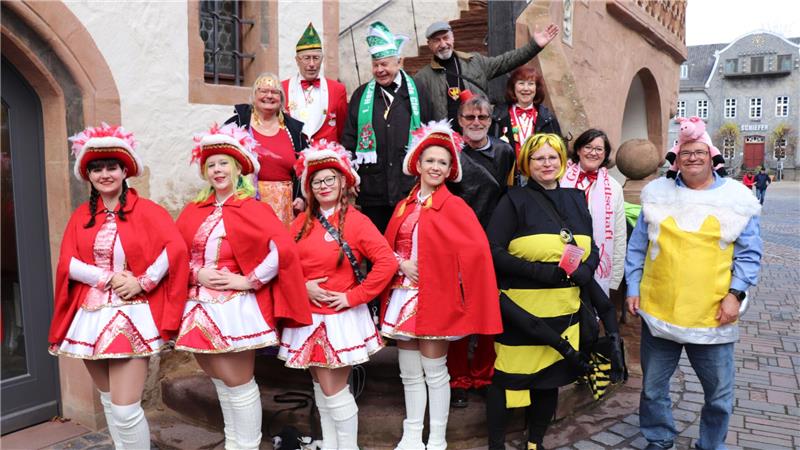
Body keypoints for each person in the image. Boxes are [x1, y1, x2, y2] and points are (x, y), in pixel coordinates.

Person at [49, 124, 189, 449]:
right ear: (89, 176)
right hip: (91, 316)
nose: (104, 174)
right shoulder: (81, 215)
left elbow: (175, 250)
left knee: (126, 411)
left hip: (131, 316)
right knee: (111, 403)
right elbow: (67, 263)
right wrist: (108, 278)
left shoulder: (148, 211)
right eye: (96, 169)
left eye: (111, 167)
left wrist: (143, 281)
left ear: (125, 169)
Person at [174, 123, 312, 450]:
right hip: (198, 304)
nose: (218, 169)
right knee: (221, 382)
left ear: (238, 168)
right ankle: (234, 444)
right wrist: (196, 275)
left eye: (224, 163)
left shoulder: (254, 209)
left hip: (236, 306)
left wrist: (249, 280)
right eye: (212, 164)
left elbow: (282, 250)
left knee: (239, 383)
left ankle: (246, 446)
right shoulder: (193, 211)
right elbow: (177, 254)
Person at [625, 125, 762, 450]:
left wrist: (735, 294)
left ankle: (712, 444)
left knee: (718, 395)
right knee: (654, 389)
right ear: (677, 159)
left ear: (712, 157)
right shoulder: (657, 194)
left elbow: (750, 254)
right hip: (659, 311)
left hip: (712, 313)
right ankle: (659, 439)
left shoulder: (736, 200)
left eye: (699, 152)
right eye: (686, 152)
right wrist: (633, 285)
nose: (693, 157)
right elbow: (637, 246)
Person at [486, 133, 622, 450]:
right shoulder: (513, 200)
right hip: (522, 313)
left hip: (565, 312)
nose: (547, 163)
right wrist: (539, 271)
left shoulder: (575, 199)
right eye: (539, 158)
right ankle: (496, 445)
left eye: (553, 157)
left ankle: (535, 442)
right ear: (527, 164)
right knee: (508, 381)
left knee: (548, 382)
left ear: (562, 162)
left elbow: (588, 245)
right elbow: (493, 251)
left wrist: (587, 268)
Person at [381, 120, 502, 450]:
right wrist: (399, 263)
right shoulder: (403, 206)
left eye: (443, 163)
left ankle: (436, 438)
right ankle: (410, 434)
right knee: (409, 372)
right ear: (418, 164)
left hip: (436, 299)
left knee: (435, 371)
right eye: (430, 161)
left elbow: (475, 254)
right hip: (403, 296)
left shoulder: (455, 206)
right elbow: (386, 249)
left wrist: (443, 273)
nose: (435, 167)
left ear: (450, 170)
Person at [279, 140, 397, 450]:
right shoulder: (300, 224)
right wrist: (302, 287)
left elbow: (387, 262)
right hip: (308, 318)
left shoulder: (358, 222)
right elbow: (282, 265)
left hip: (340, 319)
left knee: (333, 389)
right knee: (320, 384)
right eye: (317, 181)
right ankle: (329, 444)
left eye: (330, 178)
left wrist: (353, 296)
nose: (323, 186)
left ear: (343, 181)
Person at [446, 94, 515, 408]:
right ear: (460, 120)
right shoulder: (449, 150)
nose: (476, 123)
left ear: (491, 120)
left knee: (489, 311)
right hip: (456, 240)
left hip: (491, 239)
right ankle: (458, 378)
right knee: (458, 312)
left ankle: (484, 374)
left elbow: (509, 195)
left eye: (482, 118)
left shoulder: (505, 153)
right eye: (470, 118)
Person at [340, 21, 433, 232]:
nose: (380, 70)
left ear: (398, 62)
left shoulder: (417, 91)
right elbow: (349, 139)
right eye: (376, 65)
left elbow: (429, 134)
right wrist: (350, 175)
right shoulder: (361, 95)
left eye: (385, 64)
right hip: (373, 192)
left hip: (409, 189)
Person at [414, 21, 559, 131]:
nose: (443, 44)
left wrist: (534, 45)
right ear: (429, 45)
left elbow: (506, 61)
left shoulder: (475, 61)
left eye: (446, 38)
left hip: (480, 134)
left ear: (453, 38)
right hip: (449, 142)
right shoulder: (422, 78)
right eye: (436, 40)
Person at [225, 72, 308, 227]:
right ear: (254, 96)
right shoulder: (238, 124)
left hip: (286, 208)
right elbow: (222, 160)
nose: (269, 96)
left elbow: (305, 169)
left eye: (275, 92)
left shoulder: (294, 130)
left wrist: (302, 197)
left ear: (281, 98)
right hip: (247, 203)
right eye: (263, 91)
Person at [560, 129, 626, 297]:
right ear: (578, 150)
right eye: (588, 147)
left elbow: (619, 232)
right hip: (563, 252)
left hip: (598, 260)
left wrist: (615, 276)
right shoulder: (560, 178)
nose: (593, 153)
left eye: (599, 149)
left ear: (605, 154)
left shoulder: (614, 187)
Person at [492, 66, 562, 185]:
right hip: (506, 179)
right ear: (513, 87)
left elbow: (559, 152)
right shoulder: (498, 116)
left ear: (536, 88)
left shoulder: (548, 118)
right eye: (521, 83)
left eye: (530, 84)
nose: (526, 89)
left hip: (539, 179)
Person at [281, 23, 348, 145]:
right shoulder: (282, 88)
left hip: (327, 158)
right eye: (307, 58)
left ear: (322, 60)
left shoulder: (337, 89)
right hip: (294, 157)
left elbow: (343, 129)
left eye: (316, 58)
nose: (312, 64)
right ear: (297, 60)